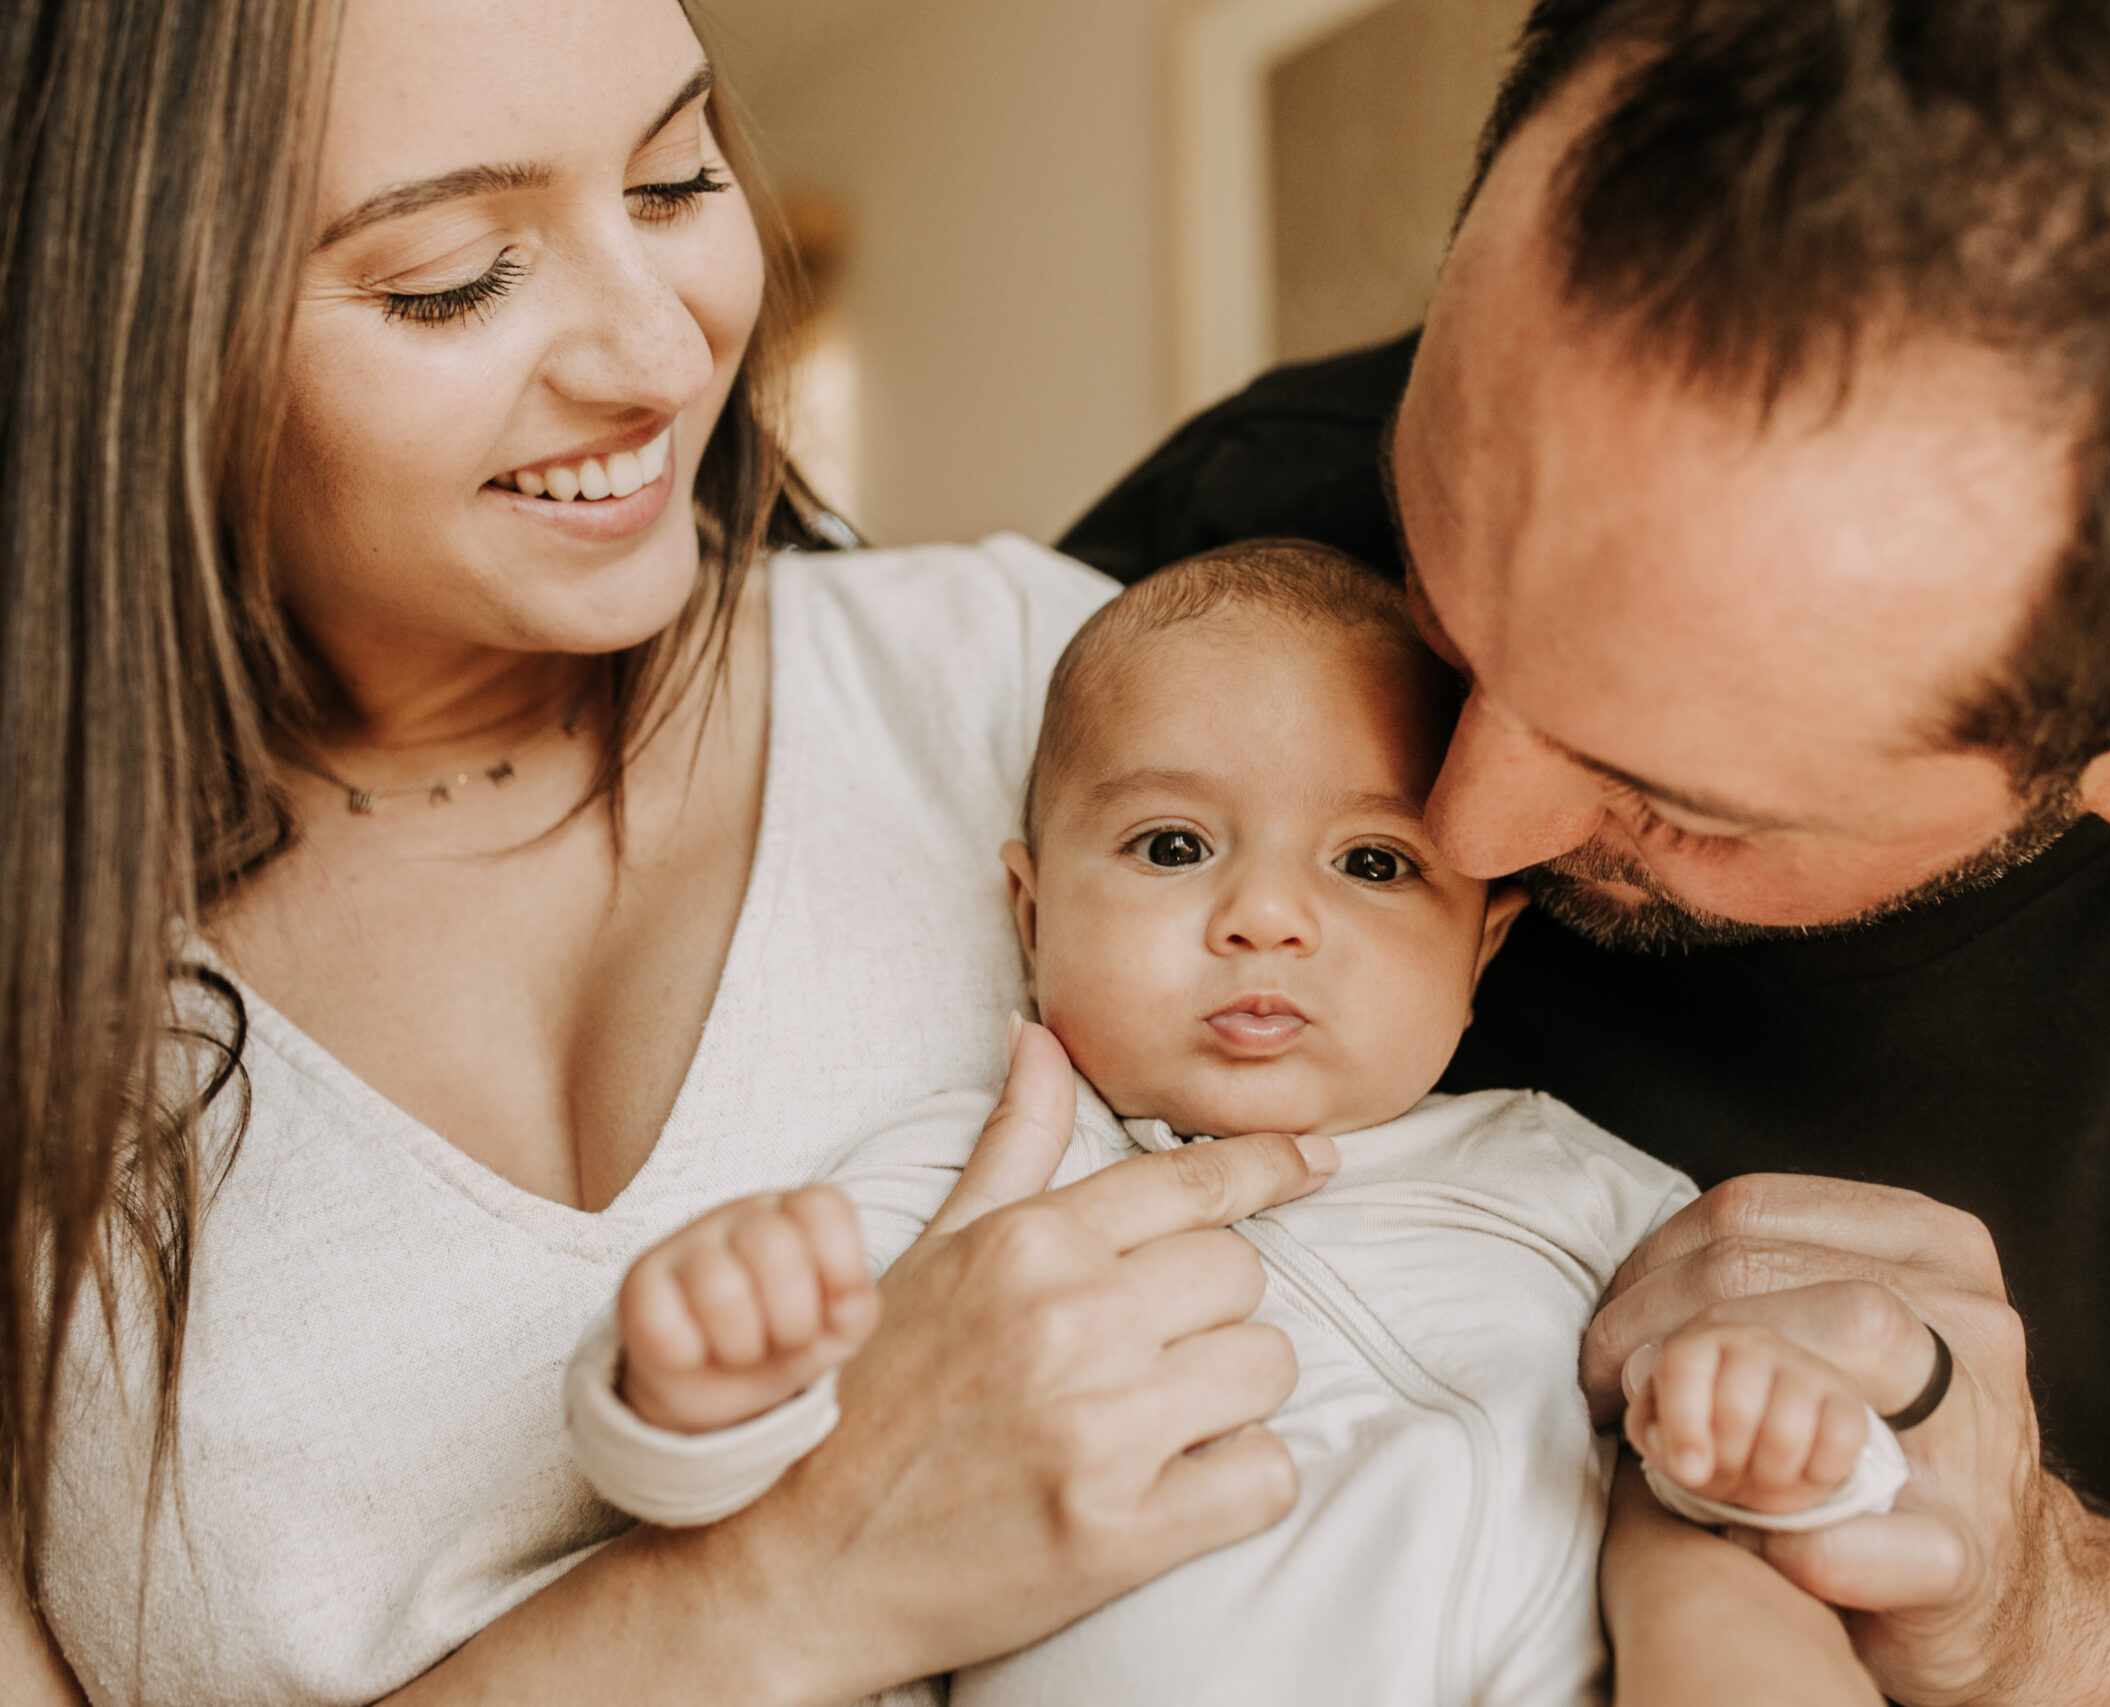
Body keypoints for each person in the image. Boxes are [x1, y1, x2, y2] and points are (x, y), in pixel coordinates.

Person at [1061, 1, 2110, 1701]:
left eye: (1680, 799)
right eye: (1436, 588)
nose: (1465, 826)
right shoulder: (1227, 541)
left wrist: (2041, 1610)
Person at [1, 2, 1349, 1702]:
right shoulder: (36, 993)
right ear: (115, 331)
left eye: (673, 177)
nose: (658, 352)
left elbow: (1500, 1274)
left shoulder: (1048, 699)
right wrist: (769, 1592)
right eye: (449, 275)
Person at [572, 541, 1894, 1706]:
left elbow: (1792, 1478)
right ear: (1032, 918)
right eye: (1172, 846)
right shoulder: (990, 1180)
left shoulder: (1575, 1183)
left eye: (1370, 863)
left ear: (1481, 950)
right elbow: (778, 1488)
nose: (1266, 916)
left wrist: (1785, 1437)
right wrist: (698, 1386)